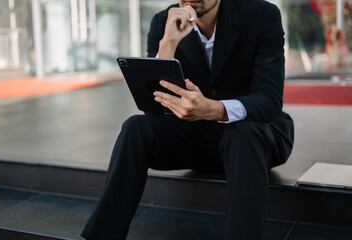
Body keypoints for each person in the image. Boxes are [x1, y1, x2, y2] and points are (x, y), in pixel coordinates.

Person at [81, 0, 294, 239]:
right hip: (198, 138)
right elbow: (154, 110)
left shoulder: (262, 15)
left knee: (243, 132)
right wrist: (169, 43)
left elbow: (270, 99)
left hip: (256, 138)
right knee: (135, 128)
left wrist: (213, 109)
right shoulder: (164, 22)